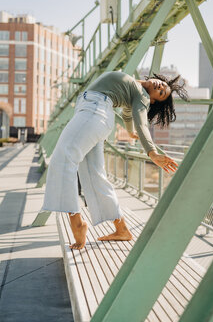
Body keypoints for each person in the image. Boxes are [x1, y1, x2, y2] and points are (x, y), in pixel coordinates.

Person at [41, 71, 188, 249]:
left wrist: (152, 152)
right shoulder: (134, 89)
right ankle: (122, 229)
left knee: (64, 158)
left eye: (162, 93)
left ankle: (76, 222)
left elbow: (141, 122)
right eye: (163, 85)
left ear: (154, 100)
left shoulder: (142, 96)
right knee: (94, 174)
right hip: (95, 114)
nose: (161, 87)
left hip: (94, 112)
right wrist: (130, 130)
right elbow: (128, 115)